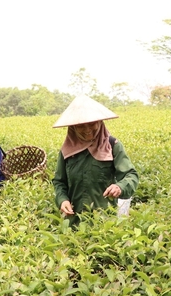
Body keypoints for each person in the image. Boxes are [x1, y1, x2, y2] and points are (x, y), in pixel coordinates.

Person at [52, 95, 139, 223]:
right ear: (73, 127)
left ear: (100, 122)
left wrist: (119, 187)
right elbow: (59, 182)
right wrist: (62, 200)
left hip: (105, 222)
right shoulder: (67, 151)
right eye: (81, 125)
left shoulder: (112, 145)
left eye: (92, 124)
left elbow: (131, 175)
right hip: (74, 222)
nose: (87, 129)